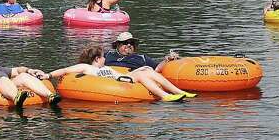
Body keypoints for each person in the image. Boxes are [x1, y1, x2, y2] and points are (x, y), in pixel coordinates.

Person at [48, 45, 192, 102]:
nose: (105, 58)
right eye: (103, 56)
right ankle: (165, 96)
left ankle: (179, 91)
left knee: (147, 70)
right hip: (115, 84)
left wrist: (141, 69)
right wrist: (48, 75)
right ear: (97, 58)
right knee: (143, 75)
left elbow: (118, 76)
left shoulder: (106, 68)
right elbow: (65, 70)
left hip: (121, 79)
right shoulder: (86, 68)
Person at [104, 32, 179, 74]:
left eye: (132, 43)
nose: (129, 45)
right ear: (117, 45)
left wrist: (167, 60)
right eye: (125, 42)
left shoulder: (142, 58)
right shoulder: (108, 55)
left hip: (132, 78)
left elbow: (157, 68)